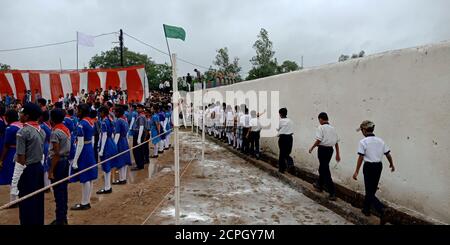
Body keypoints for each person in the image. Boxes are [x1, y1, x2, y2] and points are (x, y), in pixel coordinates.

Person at [353, 120, 395, 224]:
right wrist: (391, 163)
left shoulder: (363, 142)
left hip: (368, 167)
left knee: (369, 191)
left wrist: (356, 171)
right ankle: (366, 210)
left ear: (364, 130)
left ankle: (383, 210)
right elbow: (388, 154)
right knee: (372, 189)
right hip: (378, 166)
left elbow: (361, 157)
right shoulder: (380, 141)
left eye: (361, 130)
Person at [12, 103, 46, 225]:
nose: (19, 114)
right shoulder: (41, 130)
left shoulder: (22, 132)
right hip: (38, 168)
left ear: (26, 116)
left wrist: (16, 182)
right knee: (38, 201)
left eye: (21, 113)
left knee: (26, 202)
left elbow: (21, 157)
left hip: (27, 170)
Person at [70, 104, 98, 211]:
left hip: (84, 150)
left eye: (78, 110)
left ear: (81, 111)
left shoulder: (82, 124)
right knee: (89, 177)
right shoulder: (91, 122)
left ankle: (84, 202)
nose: (76, 111)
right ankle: (87, 200)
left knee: (85, 177)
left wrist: (75, 160)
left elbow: (80, 143)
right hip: (89, 148)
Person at [308, 112, 341, 201]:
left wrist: (312, 147)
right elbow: (336, 142)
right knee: (323, 167)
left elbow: (319, 140)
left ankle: (332, 192)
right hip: (330, 150)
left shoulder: (321, 127)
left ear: (321, 119)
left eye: (319, 120)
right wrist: (338, 154)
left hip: (322, 150)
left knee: (324, 169)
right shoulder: (333, 128)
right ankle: (319, 185)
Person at [48, 108, 71, 225]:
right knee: (63, 191)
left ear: (52, 118)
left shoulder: (55, 132)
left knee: (58, 192)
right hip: (65, 162)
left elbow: (56, 153)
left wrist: (51, 170)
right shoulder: (65, 128)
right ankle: (62, 217)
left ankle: (60, 219)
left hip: (58, 163)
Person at [0, 110, 22, 204]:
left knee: (12, 175)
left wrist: (1, 159)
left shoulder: (10, 128)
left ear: (8, 118)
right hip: (23, 151)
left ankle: (14, 199)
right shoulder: (22, 125)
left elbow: (6, 145)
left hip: (12, 152)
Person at [96, 106, 118, 194]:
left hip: (106, 145)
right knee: (107, 167)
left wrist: (101, 149)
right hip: (110, 142)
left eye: (100, 112)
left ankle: (107, 187)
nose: (99, 114)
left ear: (103, 113)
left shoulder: (104, 122)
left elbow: (104, 135)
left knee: (106, 167)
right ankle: (107, 186)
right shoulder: (109, 119)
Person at [113, 107, 131, 185]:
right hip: (125, 141)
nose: (114, 113)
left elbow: (117, 134)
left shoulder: (118, 121)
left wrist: (114, 145)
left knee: (120, 160)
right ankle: (123, 178)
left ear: (118, 113)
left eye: (115, 112)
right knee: (124, 160)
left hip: (120, 141)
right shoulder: (125, 120)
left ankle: (121, 179)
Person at [276, 108, 294, 173]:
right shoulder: (290, 121)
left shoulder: (281, 121)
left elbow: (278, 129)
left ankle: (282, 168)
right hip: (290, 138)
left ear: (280, 114)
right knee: (287, 152)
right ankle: (289, 163)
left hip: (283, 138)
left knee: (282, 153)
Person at [131, 104, 147, 171]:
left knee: (137, 150)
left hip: (138, 134)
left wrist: (139, 138)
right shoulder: (140, 116)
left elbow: (141, 127)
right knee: (139, 150)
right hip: (138, 133)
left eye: (138, 108)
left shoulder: (141, 117)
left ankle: (139, 165)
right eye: (137, 108)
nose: (137, 109)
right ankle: (140, 164)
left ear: (142, 109)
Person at [40, 111, 52, 191]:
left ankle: (46, 186)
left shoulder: (42, 126)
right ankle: (47, 185)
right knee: (47, 165)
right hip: (48, 144)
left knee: (44, 165)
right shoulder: (49, 125)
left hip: (44, 145)